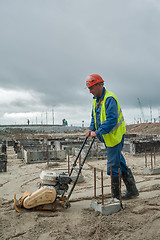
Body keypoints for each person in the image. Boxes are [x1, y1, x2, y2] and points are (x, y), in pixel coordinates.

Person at [85, 73, 139, 200]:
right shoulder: (96, 100)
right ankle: (132, 190)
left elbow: (112, 120)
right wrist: (91, 129)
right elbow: (95, 117)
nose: (90, 91)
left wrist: (97, 133)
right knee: (119, 162)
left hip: (115, 137)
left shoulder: (109, 98)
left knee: (113, 166)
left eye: (91, 88)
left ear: (99, 85)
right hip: (107, 137)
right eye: (89, 89)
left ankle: (116, 197)